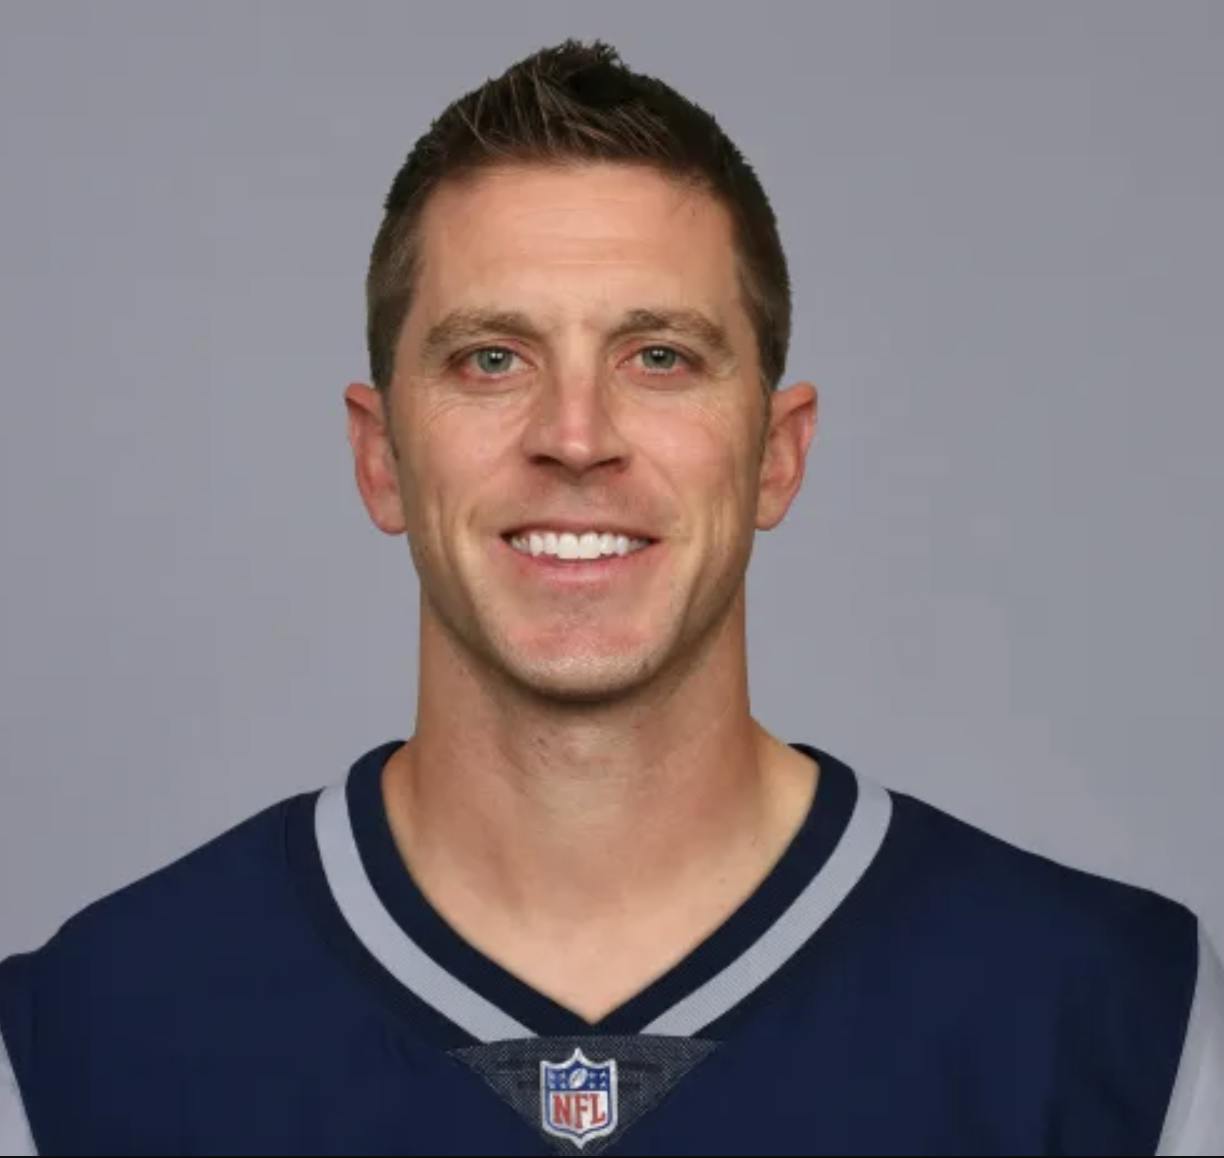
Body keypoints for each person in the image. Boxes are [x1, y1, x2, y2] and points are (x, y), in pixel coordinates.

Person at [1, 37, 1220, 1156]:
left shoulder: (1127, 1027)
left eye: (660, 358)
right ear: (380, 458)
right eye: (492, 358)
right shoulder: (81, 1046)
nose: (576, 436)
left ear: (777, 454)